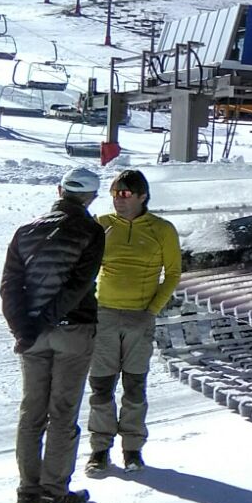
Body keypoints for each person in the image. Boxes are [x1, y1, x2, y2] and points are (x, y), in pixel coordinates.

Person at [1, 167, 106, 503]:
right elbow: (78, 285)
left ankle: (26, 492)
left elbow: (10, 287)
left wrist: (24, 329)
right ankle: (54, 492)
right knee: (62, 413)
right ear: (91, 196)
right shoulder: (91, 231)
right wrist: (48, 319)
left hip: (32, 335)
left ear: (59, 190)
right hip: (73, 331)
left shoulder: (25, 231)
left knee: (31, 413)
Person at [84, 169, 182, 476]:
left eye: (125, 195)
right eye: (114, 194)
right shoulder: (102, 225)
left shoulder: (161, 229)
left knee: (134, 386)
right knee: (101, 386)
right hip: (105, 315)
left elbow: (174, 274)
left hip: (140, 318)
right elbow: (84, 266)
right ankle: (100, 450)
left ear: (142, 197)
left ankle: (132, 449)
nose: (119, 201)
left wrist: (151, 310)